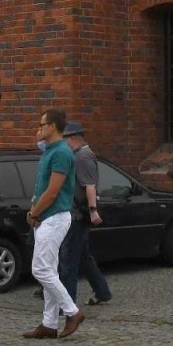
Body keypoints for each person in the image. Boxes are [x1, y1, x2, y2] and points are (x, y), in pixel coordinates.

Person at [24, 108, 83, 339]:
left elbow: (52, 192)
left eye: (42, 125)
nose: (39, 129)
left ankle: (72, 312)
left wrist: (34, 212)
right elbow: (41, 187)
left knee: (40, 269)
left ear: (52, 126)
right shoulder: (50, 151)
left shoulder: (61, 153)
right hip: (46, 217)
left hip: (55, 216)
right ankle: (49, 324)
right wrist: (34, 210)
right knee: (48, 269)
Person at [57, 122, 112, 307]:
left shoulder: (83, 156)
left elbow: (89, 186)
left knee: (68, 260)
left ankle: (67, 304)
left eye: (65, 139)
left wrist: (93, 210)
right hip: (75, 213)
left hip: (78, 215)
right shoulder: (78, 155)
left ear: (73, 138)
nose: (63, 142)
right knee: (82, 255)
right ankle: (102, 291)